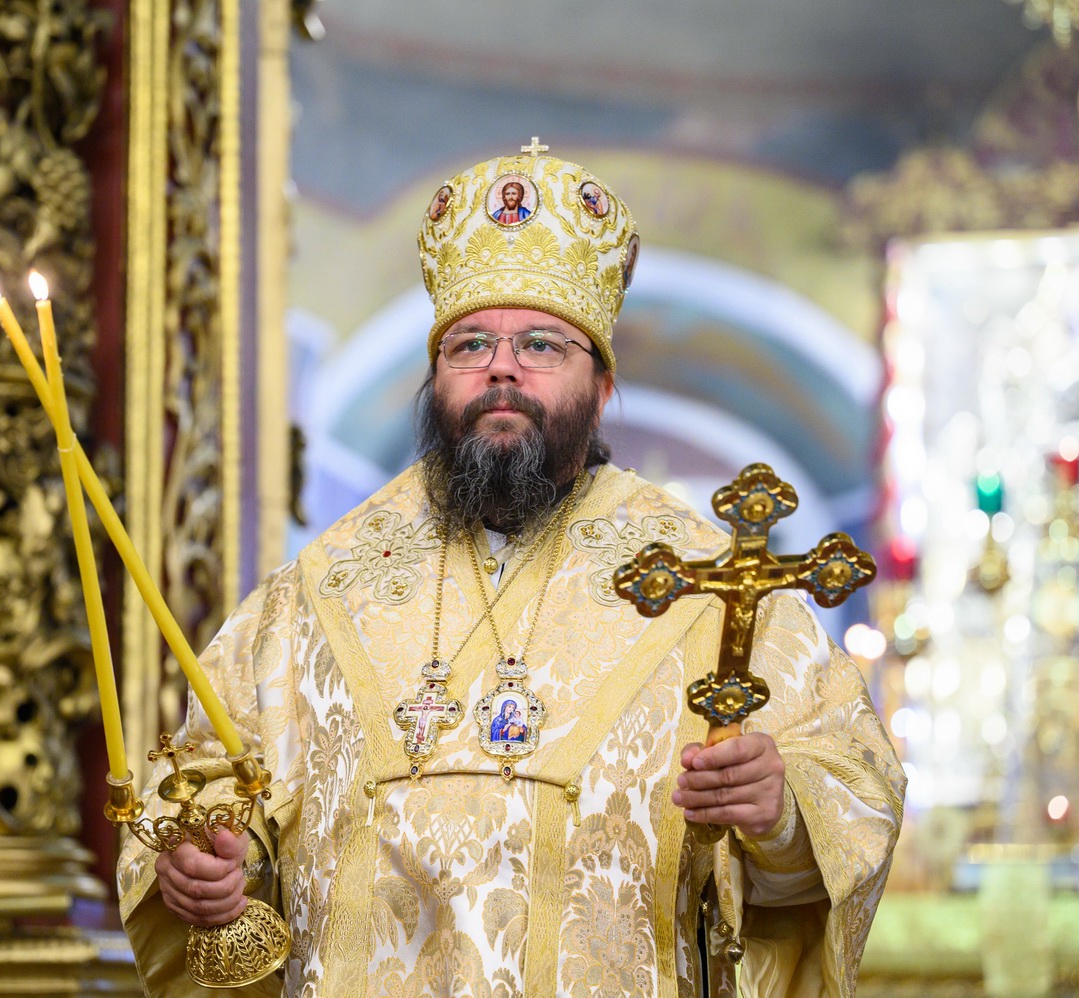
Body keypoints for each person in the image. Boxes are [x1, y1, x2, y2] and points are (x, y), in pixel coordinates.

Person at [117, 146, 904, 997]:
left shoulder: (707, 586)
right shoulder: (318, 589)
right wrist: (210, 865)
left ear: (602, 387)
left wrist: (781, 814)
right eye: (469, 344)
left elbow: (853, 794)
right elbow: (207, 787)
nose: (501, 365)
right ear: (435, 380)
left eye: (541, 344)